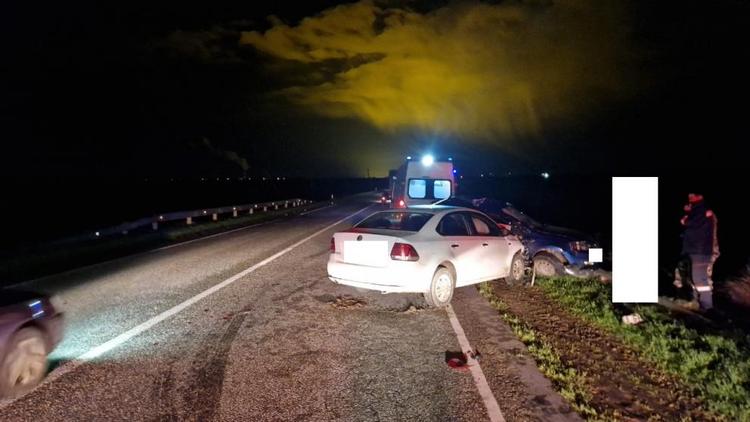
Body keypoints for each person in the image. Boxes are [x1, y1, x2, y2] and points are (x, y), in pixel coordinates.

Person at [674, 192, 719, 310]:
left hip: (700, 251)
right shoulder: (696, 210)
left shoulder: (703, 210)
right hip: (692, 250)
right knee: (691, 278)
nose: (690, 198)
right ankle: (695, 304)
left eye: (693, 196)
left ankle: (707, 307)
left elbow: (693, 222)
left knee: (700, 279)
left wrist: (686, 219)